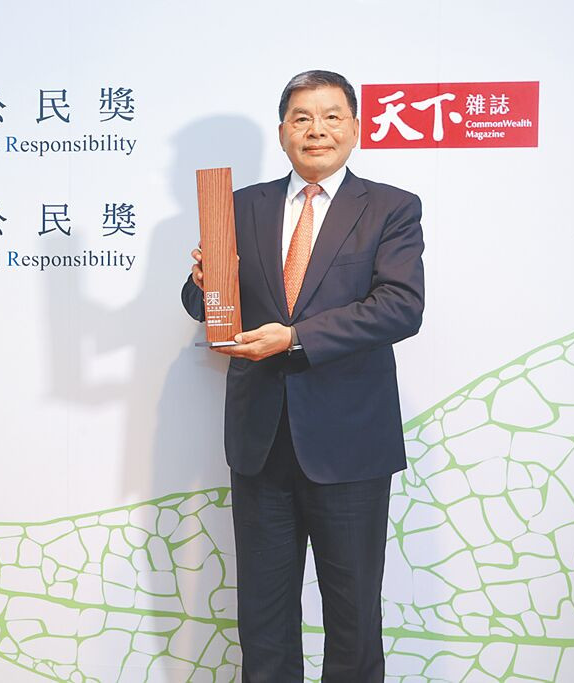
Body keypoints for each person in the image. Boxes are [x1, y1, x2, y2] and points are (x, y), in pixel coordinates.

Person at [181, 70, 425, 682]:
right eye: (302, 118)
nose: (317, 130)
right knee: (262, 622)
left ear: (356, 127)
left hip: (350, 446)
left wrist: (295, 338)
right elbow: (206, 306)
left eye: (331, 116)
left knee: (353, 619)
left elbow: (401, 306)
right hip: (260, 444)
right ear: (283, 131)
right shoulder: (240, 206)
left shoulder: (391, 208)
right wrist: (203, 284)